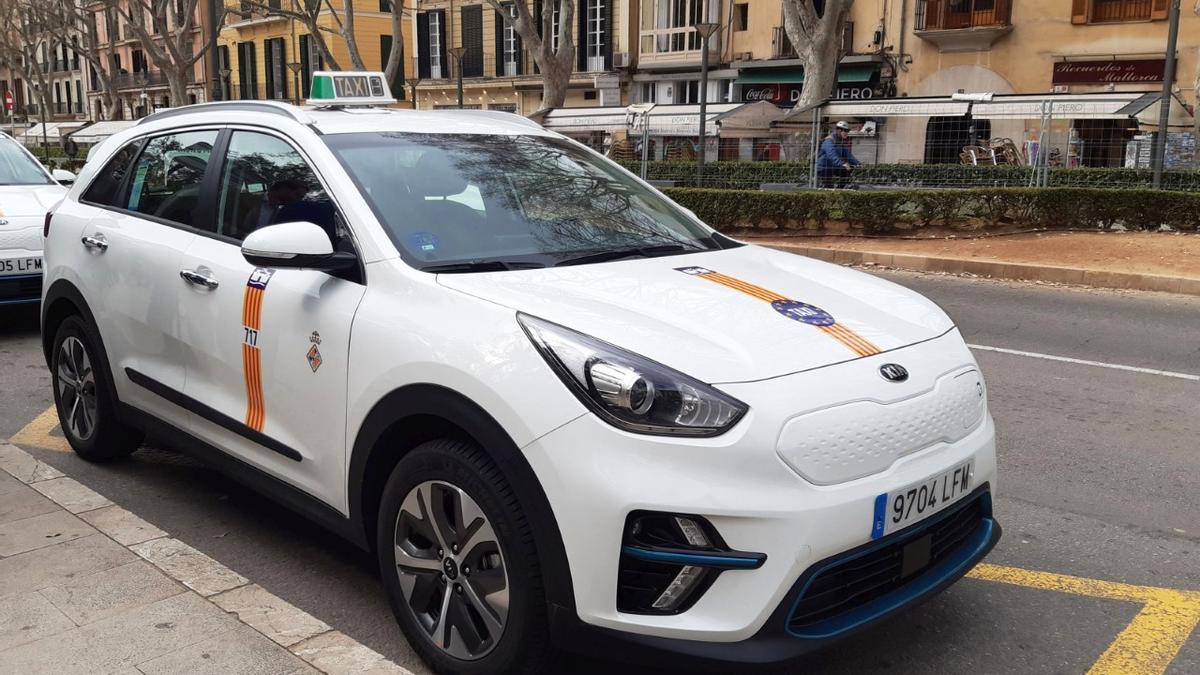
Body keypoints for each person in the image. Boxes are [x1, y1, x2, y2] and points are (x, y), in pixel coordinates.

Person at [817, 121, 861, 188]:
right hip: (824, 167)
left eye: (848, 131)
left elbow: (848, 154)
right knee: (828, 187)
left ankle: (840, 189)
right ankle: (829, 188)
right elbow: (832, 155)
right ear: (839, 130)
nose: (847, 133)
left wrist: (857, 163)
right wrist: (842, 163)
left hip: (834, 166)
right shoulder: (829, 141)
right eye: (845, 131)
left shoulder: (840, 141)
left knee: (848, 170)